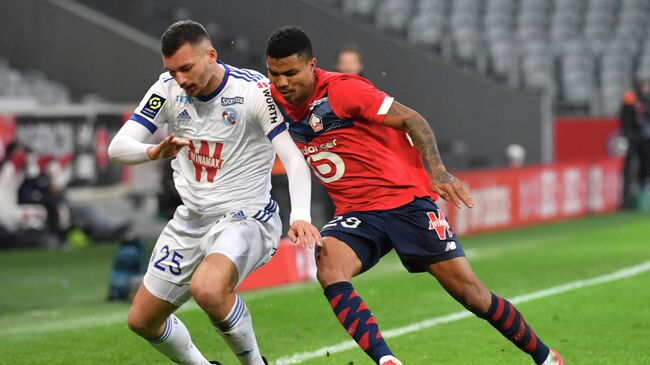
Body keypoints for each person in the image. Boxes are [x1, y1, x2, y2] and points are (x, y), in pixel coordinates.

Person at [265, 26, 565, 365]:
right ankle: (387, 361)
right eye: (274, 74)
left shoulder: (344, 90)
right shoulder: (271, 101)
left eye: (291, 73)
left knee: (473, 295)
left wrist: (437, 170)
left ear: (312, 65)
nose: (283, 82)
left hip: (405, 202)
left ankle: (545, 357)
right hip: (357, 213)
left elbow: (413, 120)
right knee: (328, 266)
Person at [108, 20, 320, 365]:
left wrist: (300, 215)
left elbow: (293, 158)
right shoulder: (167, 89)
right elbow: (118, 147)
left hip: (247, 215)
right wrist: (151, 151)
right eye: (172, 71)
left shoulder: (253, 91)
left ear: (211, 55)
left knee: (208, 289)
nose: (181, 79)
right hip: (190, 221)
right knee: (142, 321)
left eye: (187, 68)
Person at [621, 78, 650, 207]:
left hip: (645, 139)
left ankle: (644, 187)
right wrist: (627, 134)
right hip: (633, 138)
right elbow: (625, 118)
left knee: (645, 164)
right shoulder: (630, 99)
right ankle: (626, 197)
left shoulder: (647, 101)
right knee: (629, 165)